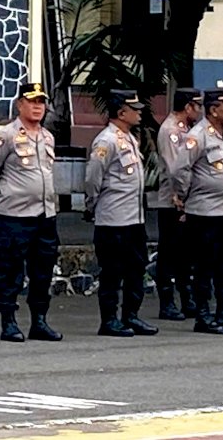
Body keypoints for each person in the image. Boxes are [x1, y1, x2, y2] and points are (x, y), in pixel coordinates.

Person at [0, 82, 63, 342]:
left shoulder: (47, 137)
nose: (37, 106)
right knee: (11, 270)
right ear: (20, 105)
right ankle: (9, 322)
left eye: (41, 102)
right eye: (32, 101)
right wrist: (4, 196)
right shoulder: (5, 136)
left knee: (42, 271)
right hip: (14, 217)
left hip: (44, 216)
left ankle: (39, 320)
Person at [84, 89, 158, 338]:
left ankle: (131, 316)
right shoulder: (107, 141)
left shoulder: (129, 139)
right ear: (120, 112)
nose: (139, 113)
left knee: (136, 269)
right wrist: (92, 204)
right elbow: (93, 177)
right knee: (112, 272)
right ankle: (109, 320)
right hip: (113, 219)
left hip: (133, 219)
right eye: (134, 109)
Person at [171, 86, 223, 334]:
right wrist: (185, 195)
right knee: (205, 265)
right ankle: (203, 314)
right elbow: (180, 169)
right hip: (205, 212)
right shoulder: (198, 136)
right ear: (214, 110)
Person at [154, 88, 203, 320]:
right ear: (188, 106)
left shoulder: (187, 130)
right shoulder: (171, 130)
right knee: (169, 253)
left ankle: (186, 299)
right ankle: (167, 303)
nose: (200, 111)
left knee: (186, 254)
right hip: (172, 200)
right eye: (198, 106)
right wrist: (182, 198)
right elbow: (176, 169)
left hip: (186, 200)